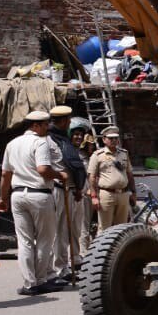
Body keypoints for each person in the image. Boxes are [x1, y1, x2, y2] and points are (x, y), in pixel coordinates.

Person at [0, 111, 65, 296]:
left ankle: (30, 283)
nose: (47, 128)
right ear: (34, 126)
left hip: (18, 195)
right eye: (44, 124)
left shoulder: (12, 144)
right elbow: (43, 169)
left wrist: (3, 198)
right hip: (39, 195)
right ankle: (41, 279)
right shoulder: (40, 142)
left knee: (25, 241)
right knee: (44, 240)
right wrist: (60, 175)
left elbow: (5, 174)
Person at [48, 105, 87, 281]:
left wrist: (78, 187)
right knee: (58, 231)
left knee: (67, 231)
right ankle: (57, 268)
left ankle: (64, 266)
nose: (69, 123)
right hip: (59, 189)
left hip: (71, 190)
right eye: (68, 120)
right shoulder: (50, 140)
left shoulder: (64, 139)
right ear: (62, 121)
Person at [89, 126, 137, 230]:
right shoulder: (97, 155)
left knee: (121, 228)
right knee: (104, 228)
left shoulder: (124, 153)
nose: (114, 140)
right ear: (104, 139)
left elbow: (129, 174)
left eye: (116, 138)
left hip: (123, 194)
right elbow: (92, 177)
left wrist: (133, 192)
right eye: (111, 138)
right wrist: (94, 197)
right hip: (107, 194)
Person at [69, 118, 93, 256]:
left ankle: (82, 253)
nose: (78, 137)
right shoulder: (66, 152)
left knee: (84, 225)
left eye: (80, 135)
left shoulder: (84, 155)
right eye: (75, 134)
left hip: (84, 195)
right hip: (71, 194)